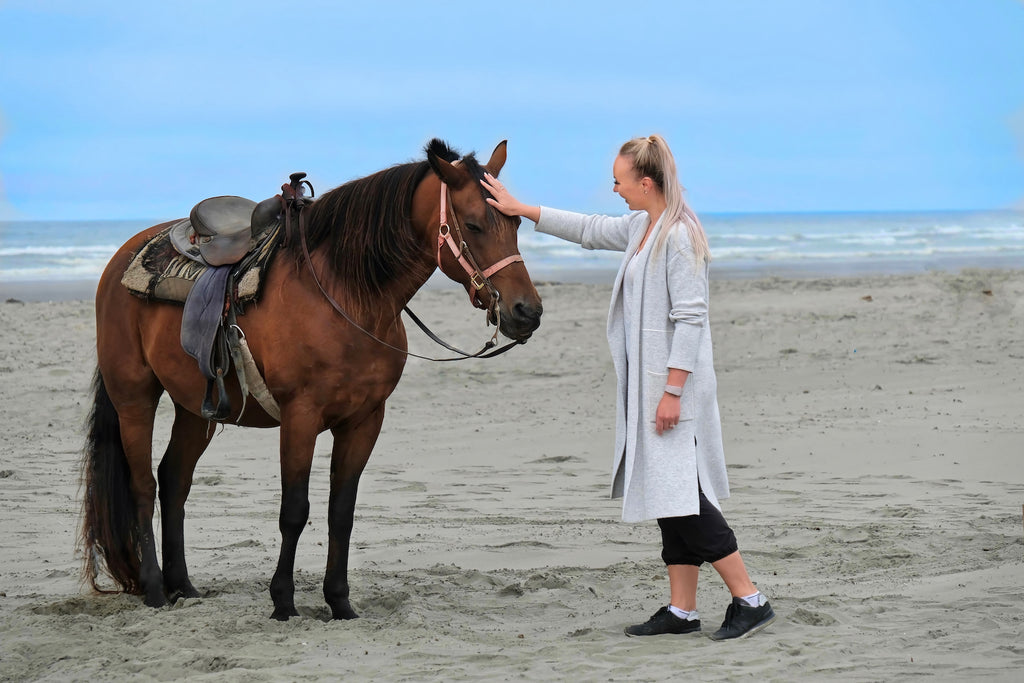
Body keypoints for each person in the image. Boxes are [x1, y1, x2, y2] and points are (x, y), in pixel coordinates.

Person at [481, 134, 776, 640]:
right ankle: (682, 610)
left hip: (671, 388)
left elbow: (691, 319)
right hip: (651, 388)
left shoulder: (677, 236)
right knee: (669, 494)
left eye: (618, 181)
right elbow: (590, 230)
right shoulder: (645, 224)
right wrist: (520, 208)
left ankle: (750, 599)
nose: (613, 189)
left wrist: (672, 391)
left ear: (645, 182)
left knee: (687, 499)